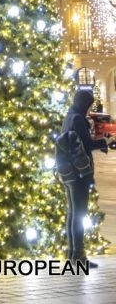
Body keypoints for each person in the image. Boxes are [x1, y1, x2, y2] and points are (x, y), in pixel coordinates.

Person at [60, 87, 107, 265]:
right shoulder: (78, 119)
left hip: (69, 172)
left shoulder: (69, 117)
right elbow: (86, 144)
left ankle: (72, 254)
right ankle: (78, 256)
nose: (89, 109)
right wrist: (105, 142)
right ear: (84, 104)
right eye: (89, 105)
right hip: (79, 173)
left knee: (73, 213)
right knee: (79, 214)